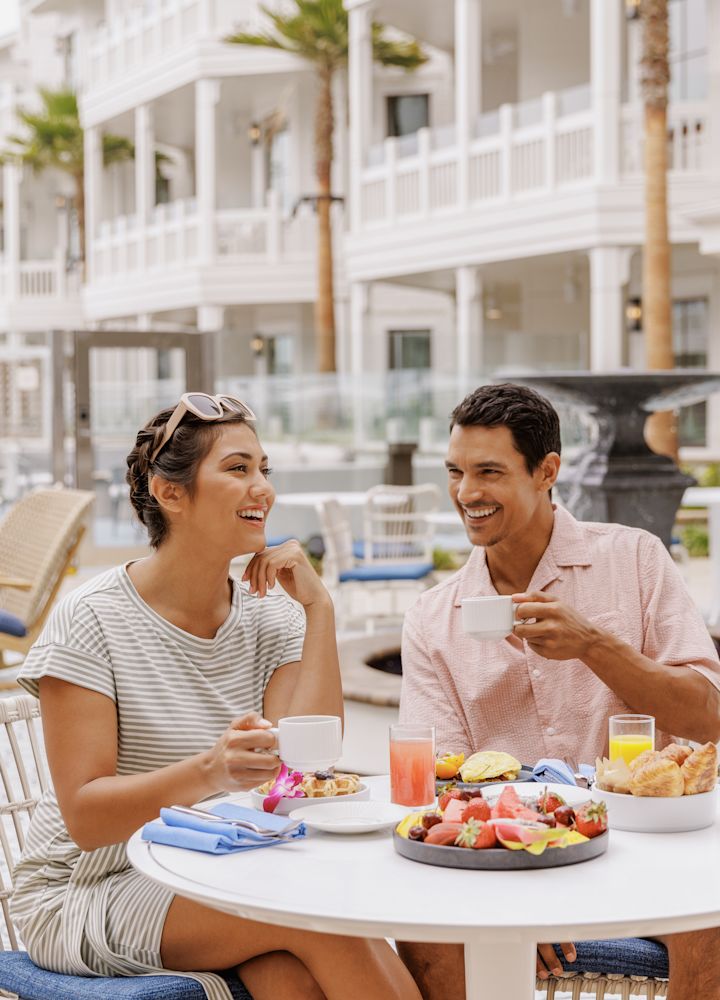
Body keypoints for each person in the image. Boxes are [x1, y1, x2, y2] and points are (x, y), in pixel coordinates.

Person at [10, 393, 422, 1000]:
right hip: (89, 884)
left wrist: (319, 607)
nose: (262, 489)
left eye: (264, 470)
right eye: (237, 469)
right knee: (325, 924)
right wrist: (209, 771)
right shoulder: (90, 620)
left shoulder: (271, 612)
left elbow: (306, 762)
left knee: (291, 978)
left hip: (222, 866)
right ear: (169, 492)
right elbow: (87, 818)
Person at [398, 382, 720, 1000]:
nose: (467, 493)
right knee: (429, 936)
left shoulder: (636, 560)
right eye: (456, 472)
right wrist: (514, 880)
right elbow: (442, 786)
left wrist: (595, 646)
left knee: (712, 923)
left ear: (547, 471)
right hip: (508, 856)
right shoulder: (434, 617)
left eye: (489, 471)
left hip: (646, 854)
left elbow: (707, 717)